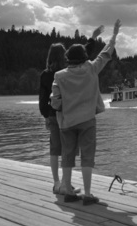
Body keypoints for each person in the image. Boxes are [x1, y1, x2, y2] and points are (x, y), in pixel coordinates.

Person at [50, 19, 121, 205]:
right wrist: (114, 35)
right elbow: (106, 53)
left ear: (68, 60)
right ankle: (88, 194)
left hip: (67, 122)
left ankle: (68, 191)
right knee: (87, 156)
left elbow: (54, 101)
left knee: (67, 155)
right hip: (87, 120)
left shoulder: (59, 76)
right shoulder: (91, 69)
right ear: (84, 57)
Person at [38, 25, 104, 195]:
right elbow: (84, 53)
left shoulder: (47, 74)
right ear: (64, 56)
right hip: (67, 117)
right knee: (69, 152)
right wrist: (93, 37)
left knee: (56, 150)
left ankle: (58, 183)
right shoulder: (68, 71)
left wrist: (47, 115)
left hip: (55, 117)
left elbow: (42, 101)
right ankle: (68, 185)